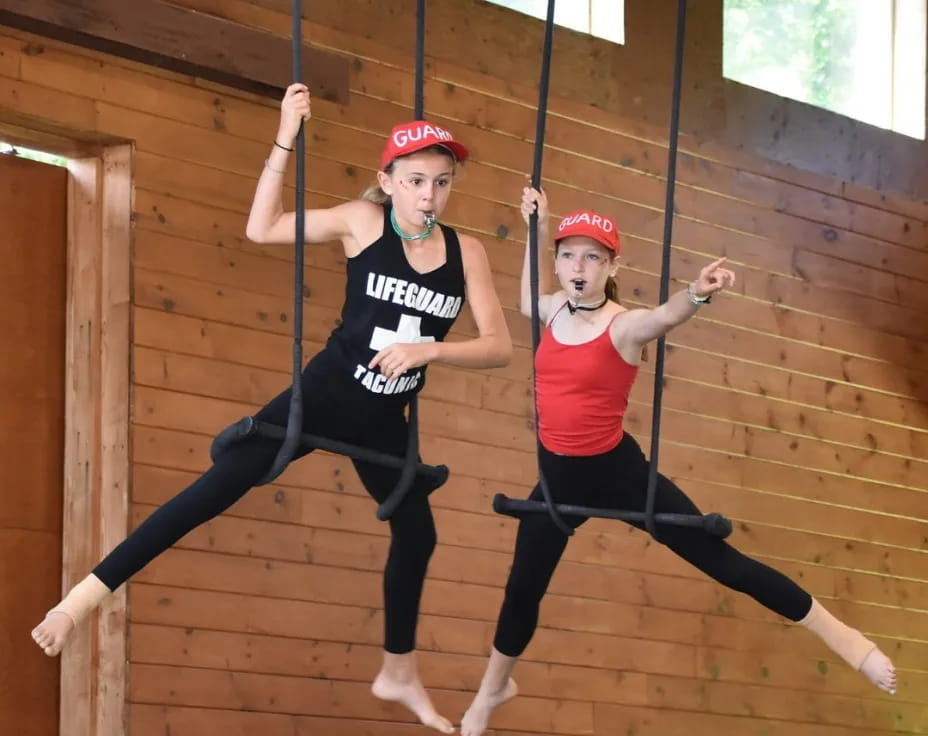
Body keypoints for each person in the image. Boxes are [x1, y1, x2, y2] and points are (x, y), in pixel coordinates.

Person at [32, 83, 512, 735]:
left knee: (419, 533)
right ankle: (78, 603)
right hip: (322, 401)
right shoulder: (360, 222)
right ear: (389, 181)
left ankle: (397, 671)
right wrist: (286, 134)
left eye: (442, 183)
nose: (429, 196)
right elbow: (261, 229)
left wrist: (429, 352)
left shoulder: (467, 253)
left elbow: (498, 347)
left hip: (383, 420)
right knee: (214, 490)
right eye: (417, 181)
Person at [459, 187, 896, 736]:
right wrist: (538, 227)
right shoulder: (551, 311)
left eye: (593, 256)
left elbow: (665, 316)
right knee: (522, 588)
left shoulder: (624, 326)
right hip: (556, 483)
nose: (579, 266)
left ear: (612, 265)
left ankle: (848, 643)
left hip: (621, 478)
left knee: (725, 564)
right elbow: (526, 298)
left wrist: (697, 292)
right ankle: (492, 690)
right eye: (569, 255)